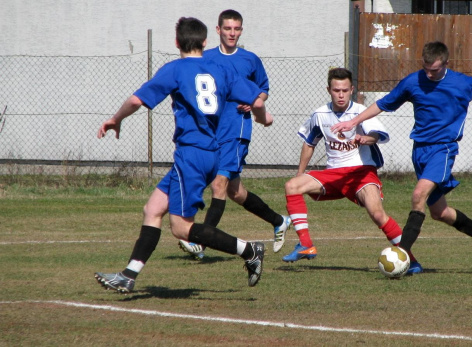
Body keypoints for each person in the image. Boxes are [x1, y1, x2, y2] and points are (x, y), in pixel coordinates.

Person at [94, 17, 272, 293]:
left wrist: (115, 119)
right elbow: (257, 99)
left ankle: (249, 250)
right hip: (211, 154)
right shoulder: (220, 68)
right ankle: (129, 275)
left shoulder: (175, 69)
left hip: (191, 155)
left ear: (177, 43)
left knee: (180, 228)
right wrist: (262, 118)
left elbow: (135, 100)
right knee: (153, 209)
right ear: (205, 42)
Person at [331, 41, 472, 268]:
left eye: (435, 70)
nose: (428, 74)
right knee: (440, 213)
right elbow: (382, 104)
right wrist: (353, 121)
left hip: (443, 148)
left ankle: (402, 255)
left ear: (446, 64)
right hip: (420, 151)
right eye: (426, 68)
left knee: (418, 195)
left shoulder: (464, 83)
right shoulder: (412, 81)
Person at [281, 67, 422, 275]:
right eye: (336, 90)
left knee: (377, 214)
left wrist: (365, 138)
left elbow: (378, 135)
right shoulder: (320, 115)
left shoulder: (360, 112)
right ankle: (306, 244)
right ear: (329, 89)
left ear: (352, 90)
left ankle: (411, 260)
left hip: (361, 172)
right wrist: (300, 173)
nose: (341, 95)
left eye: (345, 90)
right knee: (292, 185)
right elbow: (309, 143)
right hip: (334, 174)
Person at [178, 9, 290, 260]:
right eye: (227, 28)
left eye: (236, 29)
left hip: (237, 130)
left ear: (241, 30)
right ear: (217, 30)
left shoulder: (250, 59)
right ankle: (279, 220)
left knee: (218, 184)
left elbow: (263, 91)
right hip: (212, 131)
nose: (232, 33)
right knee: (235, 191)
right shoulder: (204, 58)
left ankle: (201, 242)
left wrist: (255, 101)